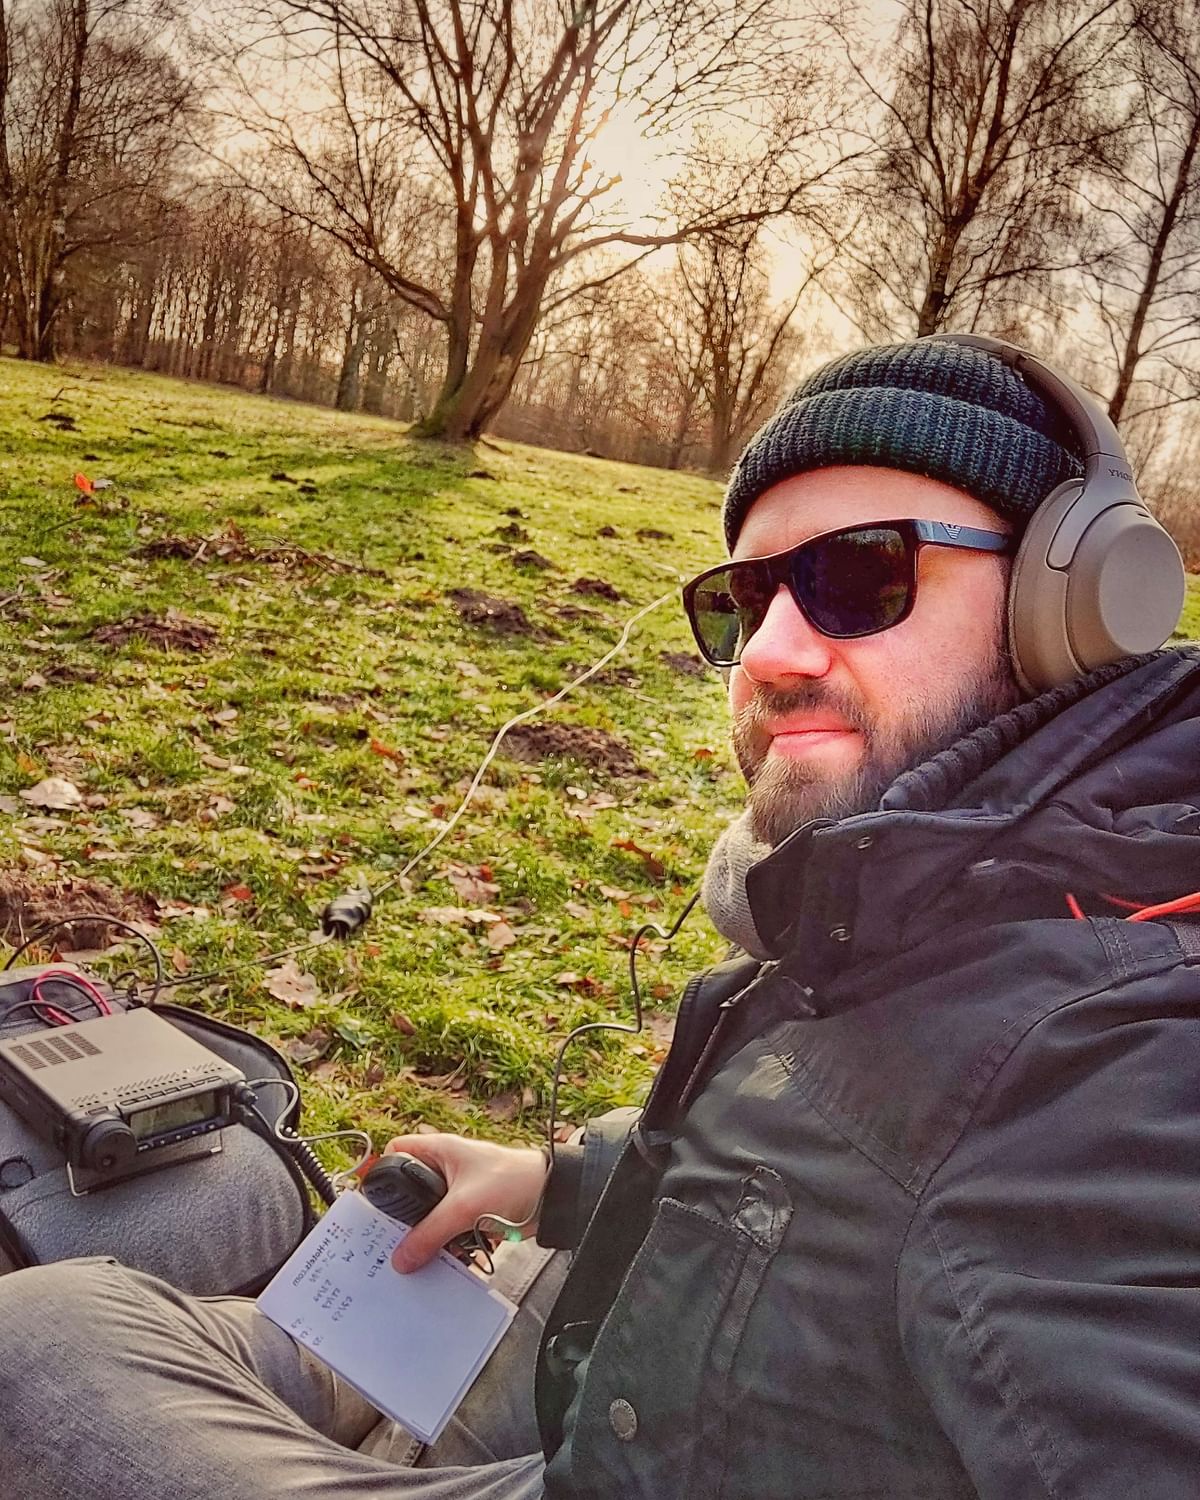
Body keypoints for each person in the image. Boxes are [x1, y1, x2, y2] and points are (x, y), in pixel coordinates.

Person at [0, 333, 1196, 1500]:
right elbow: (846, 1152)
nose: (772, 652)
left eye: (859, 577)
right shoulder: (920, 889)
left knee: (38, 1347)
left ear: (1076, 607)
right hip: (628, 1367)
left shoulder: (1116, 1061)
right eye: (748, 596)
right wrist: (561, 1178)